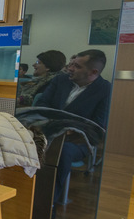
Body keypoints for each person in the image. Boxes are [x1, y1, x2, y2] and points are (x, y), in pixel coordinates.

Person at [38, 49, 111, 205]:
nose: (70, 68)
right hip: (48, 130)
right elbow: (42, 104)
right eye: (71, 64)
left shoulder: (105, 90)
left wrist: (68, 130)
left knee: (62, 152)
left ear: (93, 72)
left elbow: (97, 126)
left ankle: (47, 204)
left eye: (77, 66)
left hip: (78, 140)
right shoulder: (60, 80)